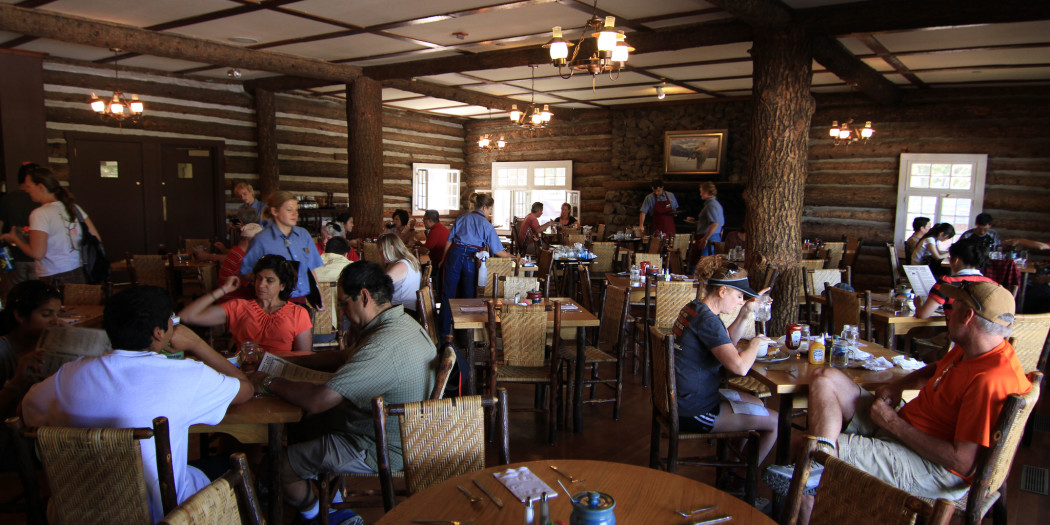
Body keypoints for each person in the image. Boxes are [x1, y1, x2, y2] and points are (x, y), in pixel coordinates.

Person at [777, 281, 1030, 525]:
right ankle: (820, 465)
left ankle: (810, 496)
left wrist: (892, 422)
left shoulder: (990, 379)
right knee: (825, 377)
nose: (947, 312)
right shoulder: (977, 348)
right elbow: (936, 368)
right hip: (907, 430)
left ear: (968, 317)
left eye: (952, 306)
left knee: (803, 448)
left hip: (934, 470)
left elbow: (961, 462)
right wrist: (898, 386)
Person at [21, 286, 253, 523]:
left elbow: (27, 412)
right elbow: (245, 389)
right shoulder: (185, 375)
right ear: (158, 333)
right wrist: (197, 344)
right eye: (170, 320)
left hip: (76, 511)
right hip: (162, 514)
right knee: (235, 463)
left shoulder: (67, 376)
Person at [248, 262, 435, 525]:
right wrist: (284, 362)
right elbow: (343, 356)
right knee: (300, 427)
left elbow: (318, 401)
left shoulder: (382, 347)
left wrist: (267, 382)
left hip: (377, 444)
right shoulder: (400, 323)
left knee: (276, 465)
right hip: (396, 429)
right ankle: (324, 495)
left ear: (364, 296)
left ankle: (322, 515)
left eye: (344, 303)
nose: (343, 313)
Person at [672, 257, 778, 463]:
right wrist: (756, 342)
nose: (741, 301)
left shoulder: (695, 308)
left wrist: (745, 313)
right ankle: (739, 477)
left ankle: (733, 464)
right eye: (739, 296)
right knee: (775, 421)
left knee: (757, 403)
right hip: (693, 410)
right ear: (722, 291)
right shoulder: (708, 321)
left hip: (682, 398)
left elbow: (727, 342)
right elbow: (739, 367)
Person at [181, 254, 312, 357]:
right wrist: (224, 289)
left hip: (280, 374)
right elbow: (187, 316)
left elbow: (303, 356)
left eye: (269, 281)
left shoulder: (298, 313)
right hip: (244, 372)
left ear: (282, 285)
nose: (261, 285)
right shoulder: (239, 307)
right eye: (258, 278)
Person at [0, 165, 101, 284]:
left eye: (28, 186)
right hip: (80, 271)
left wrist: (15, 239)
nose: (26, 190)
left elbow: (37, 254)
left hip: (54, 276)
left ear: (41, 187)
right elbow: (96, 238)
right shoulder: (74, 207)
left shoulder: (40, 214)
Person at [439, 193, 514, 340]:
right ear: (485, 207)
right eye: (490, 210)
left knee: (448, 295)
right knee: (468, 296)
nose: (490, 213)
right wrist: (515, 258)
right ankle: (466, 335)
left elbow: (449, 240)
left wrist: (443, 259)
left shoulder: (461, 218)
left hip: (454, 255)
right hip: (472, 258)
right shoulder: (486, 225)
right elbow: (498, 251)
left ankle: (443, 333)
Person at [240, 191, 323, 304]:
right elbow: (245, 273)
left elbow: (311, 270)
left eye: (296, 210)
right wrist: (268, 278)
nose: (295, 214)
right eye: (289, 210)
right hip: (273, 302)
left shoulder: (304, 235)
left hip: (301, 299)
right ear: (275, 211)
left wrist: (319, 295)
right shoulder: (261, 240)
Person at [0, 280, 62, 419]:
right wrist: (16, 381)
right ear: (20, 316)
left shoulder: (49, 347)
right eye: (46, 314)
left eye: (58, 314)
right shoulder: (3, 351)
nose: (55, 321)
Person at [914, 238, 996, 319]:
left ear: (956, 260)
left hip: (955, 331)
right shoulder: (991, 284)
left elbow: (923, 315)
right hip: (985, 331)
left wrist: (918, 305)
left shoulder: (947, 282)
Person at [0, 163, 42, 299]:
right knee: (38, 298)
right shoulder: (42, 201)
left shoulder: (6, 200)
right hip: (40, 258)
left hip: (15, 259)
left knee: (16, 297)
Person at [377, 233, 421, 315]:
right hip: (405, 308)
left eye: (382, 250)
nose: (380, 254)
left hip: (403, 310)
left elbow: (379, 286)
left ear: (391, 248)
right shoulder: (406, 261)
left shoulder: (401, 265)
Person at [218, 222, 263, 301]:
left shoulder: (236, 252)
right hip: (232, 302)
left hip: (228, 299)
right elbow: (253, 282)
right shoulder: (241, 258)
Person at [687, 182, 725, 263]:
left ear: (706, 192)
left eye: (701, 191)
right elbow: (721, 223)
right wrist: (697, 222)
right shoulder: (716, 204)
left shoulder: (711, 205)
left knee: (704, 264)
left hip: (709, 237)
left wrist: (705, 238)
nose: (700, 194)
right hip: (713, 236)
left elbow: (715, 223)